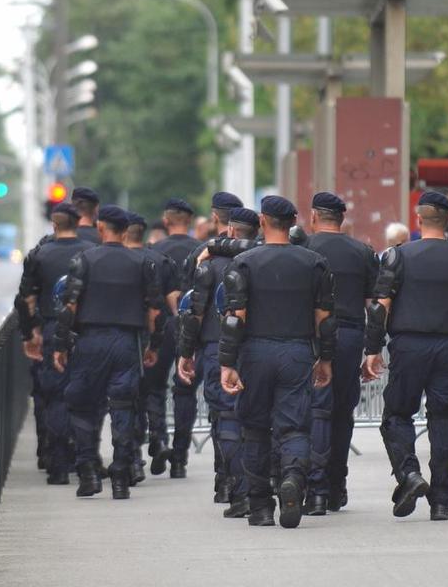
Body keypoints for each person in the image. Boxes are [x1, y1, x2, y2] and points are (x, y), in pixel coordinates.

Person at [361, 191, 448, 522]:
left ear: (418, 218)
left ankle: (409, 474)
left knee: (396, 416)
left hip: (408, 346)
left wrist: (373, 349)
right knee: (443, 419)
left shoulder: (398, 256)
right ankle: (441, 501)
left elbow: (381, 306)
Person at [218, 196, 336, 528]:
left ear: (262, 220)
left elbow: (235, 318)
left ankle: (260, 506)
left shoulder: (243, 262)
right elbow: (324, 319)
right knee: (295, 425)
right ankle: (293, 480)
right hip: (297, 351)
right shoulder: (315, 263)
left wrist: (227, 363)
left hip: (255, 352)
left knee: (254, 427)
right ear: (293, 223)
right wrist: (325, 359)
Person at [52, 205, 163, 499]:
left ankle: (88, 470)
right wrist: (152, 345)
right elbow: (154, 311)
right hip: (126, 342)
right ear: (126, 231)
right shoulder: (142, 263)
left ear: (101, 228)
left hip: (90, 341)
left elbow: (69, 307)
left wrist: (62, 345)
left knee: (83, 405)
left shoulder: (84, 261)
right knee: (124, 405)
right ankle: (120, 474)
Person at [177, 205, 259, 517]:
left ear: (229, 231)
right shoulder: (261, 258)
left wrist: (186, 352)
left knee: (225, 418)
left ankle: (231, 486)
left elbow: (194, 313)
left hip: (215, 346)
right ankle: (259, 486)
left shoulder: (208, 264)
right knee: (256, 420)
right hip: (255, 348)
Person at [299, 192, 378, 515]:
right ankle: (336, 486)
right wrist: (373, 348)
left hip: (311, 335)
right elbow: (374, 305)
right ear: (341, 219)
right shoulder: (362, 252)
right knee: (343, 411)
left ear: (314, 217)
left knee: (316, 410)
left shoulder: (303, 249)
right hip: (350, 335)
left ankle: (315, 488)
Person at [15, 202, 93, 484]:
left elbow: (26, 299)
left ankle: (58, 463)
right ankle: (85, 461)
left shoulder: (39, 255)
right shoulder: (89, 253)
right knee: (85, 397)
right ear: (78, 223)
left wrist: (30, 334)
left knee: (55, 395)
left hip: (50, 329)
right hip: (85, 331)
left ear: (54, 225)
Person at [142, 198, 202, 477]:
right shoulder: (202, 251)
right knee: (185, 390)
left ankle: (157, 437)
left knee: (154, 387)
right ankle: (179, 457)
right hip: (194, 330)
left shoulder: (153, 251)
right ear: (189, 222)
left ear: (166, 222)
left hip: (162, 329)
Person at [124, 211, 173, 485]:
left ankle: (133, 458)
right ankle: (159, 436)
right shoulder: (160, 260)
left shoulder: (116, 261)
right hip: (160, 335)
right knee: (155, 389)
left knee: (128, 397)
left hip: (127, 336)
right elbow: (173, 301)